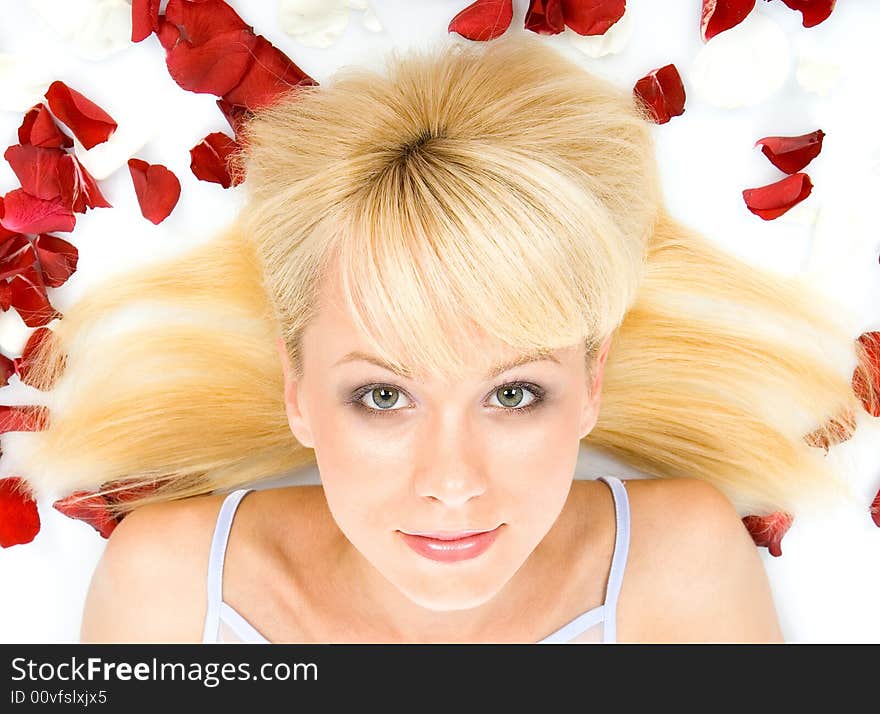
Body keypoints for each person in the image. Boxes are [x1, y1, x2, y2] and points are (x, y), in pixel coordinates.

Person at [17, 32, 865, 643]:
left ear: (591, 384)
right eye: (383, 396)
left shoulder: (679, 567)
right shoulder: (168, 590)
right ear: (297, 389)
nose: (453, 484)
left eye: (514, 393)